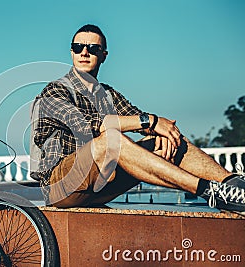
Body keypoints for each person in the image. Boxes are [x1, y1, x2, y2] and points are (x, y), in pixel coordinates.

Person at [33, 24, 245, 214]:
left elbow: (137, 119)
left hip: (99, 188)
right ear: (72, 52)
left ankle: (234, 186)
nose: (85, 52)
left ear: (104, 55)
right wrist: (151, 121)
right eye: (78, 47)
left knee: (169, 142)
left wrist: (162, 130)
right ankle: (209, 191)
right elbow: (91, 124)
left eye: (93, 48)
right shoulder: (55, 91)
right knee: (112, 140)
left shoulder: (107, 94)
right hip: (61, 187)